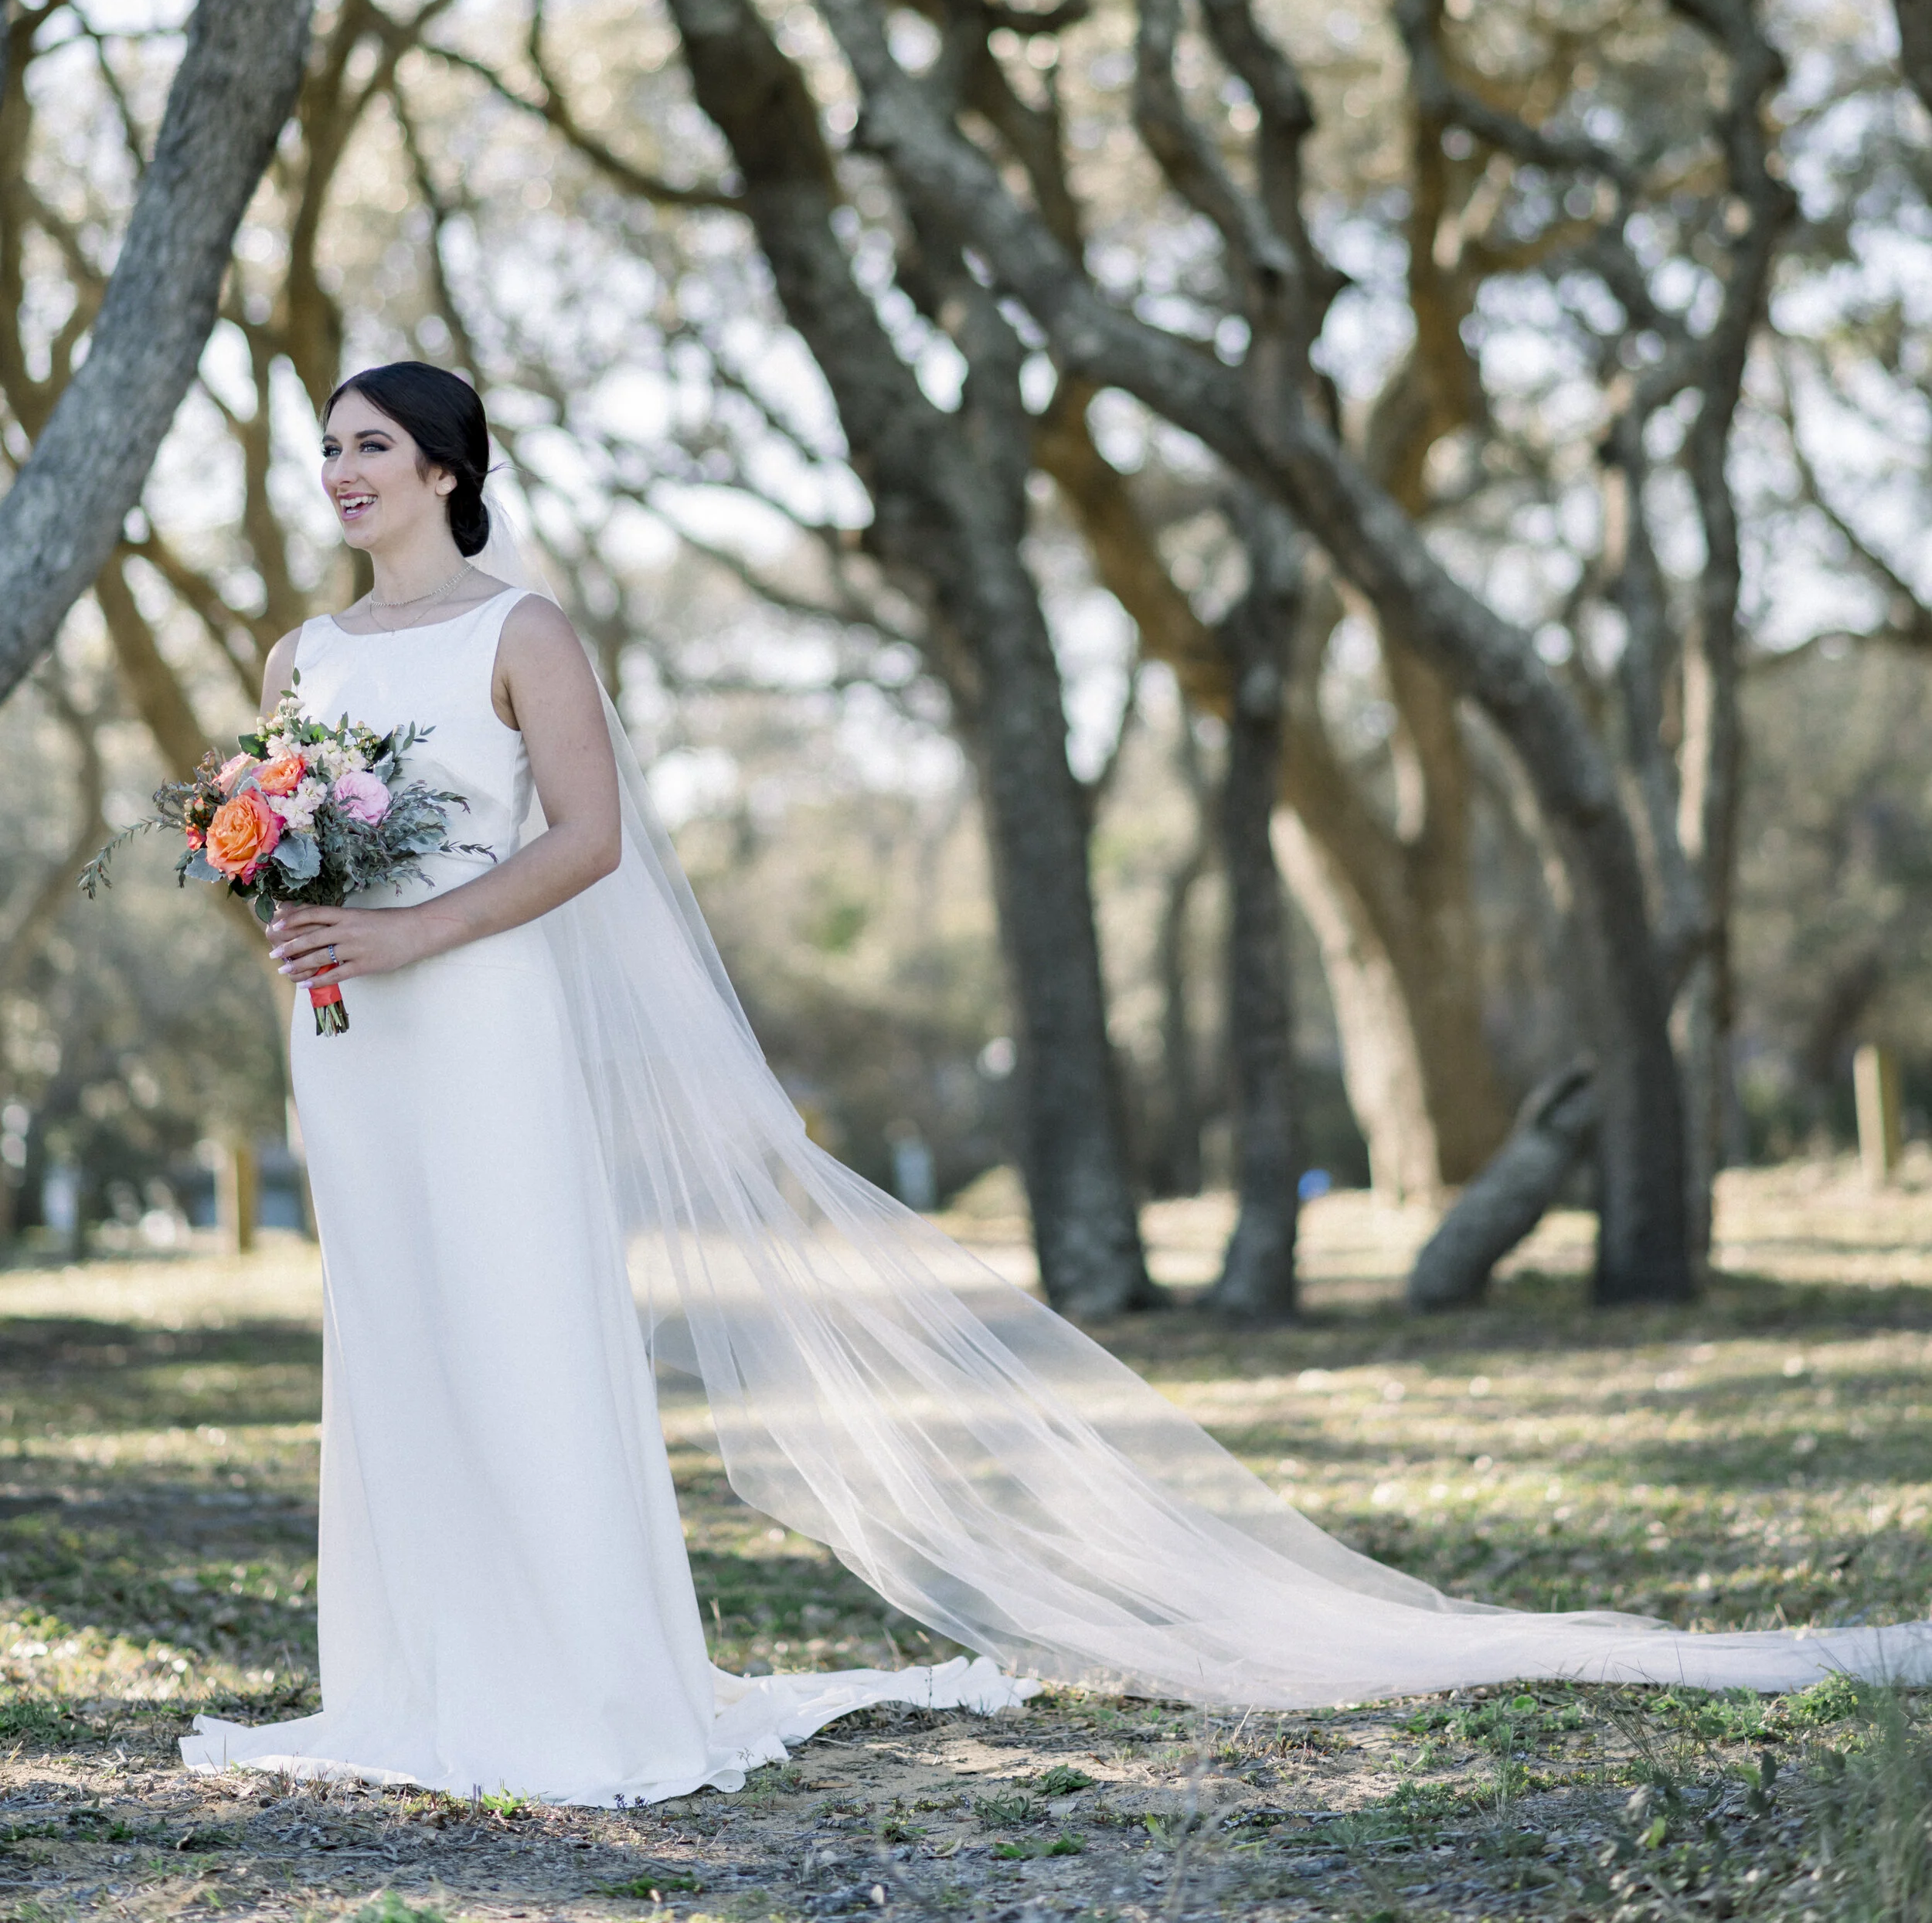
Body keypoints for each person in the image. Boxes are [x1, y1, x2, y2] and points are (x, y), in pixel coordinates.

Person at [186, 363, 1932, 1805]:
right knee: (397, 1333)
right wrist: (285, 893)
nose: (339, 472)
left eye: (370, 447)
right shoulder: (304, 661)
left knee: (512, 1327)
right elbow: (276, 834)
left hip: (476, 1023)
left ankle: (570, 1695)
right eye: (329, 449)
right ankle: (408, 1684)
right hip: (352, 1049)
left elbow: (588, 842)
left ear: (447, 470)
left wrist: (419, 938)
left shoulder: (526, 631)